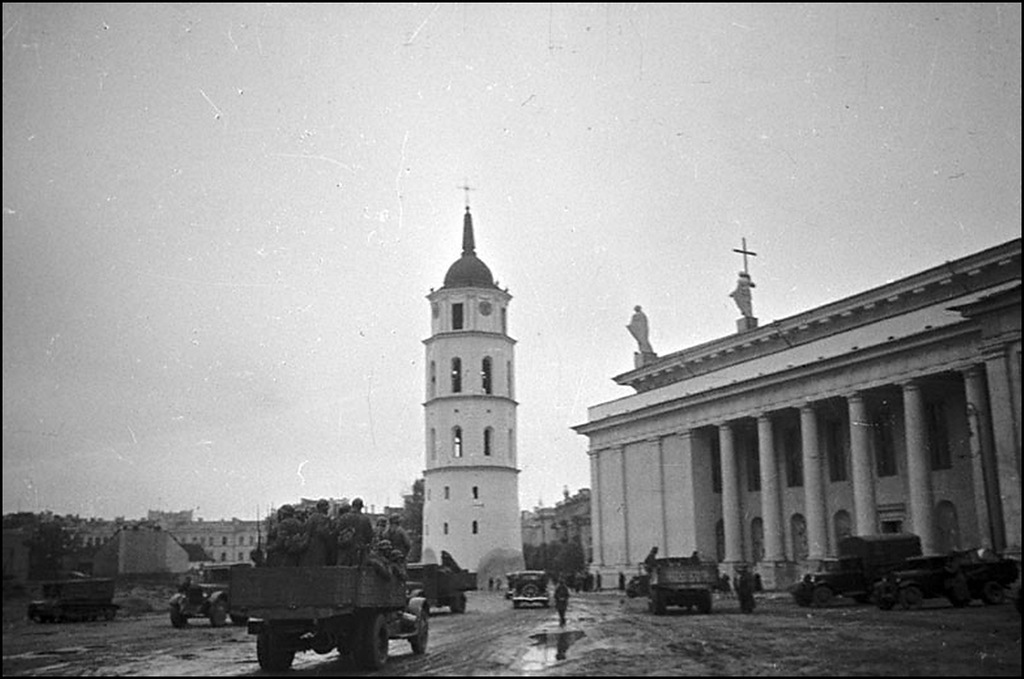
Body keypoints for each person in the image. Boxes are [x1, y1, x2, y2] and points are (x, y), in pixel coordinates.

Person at [336, 497, 374, 566]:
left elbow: (337, 531)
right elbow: (369, 536)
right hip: (359, 552)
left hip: (344, 551)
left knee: (342, 572)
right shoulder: (365, 519)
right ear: (361, 507)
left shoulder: (344, 517)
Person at [300, 499, 334, 567]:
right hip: (320, 547)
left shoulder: (311, 517)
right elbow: (325, 534)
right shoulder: (324, 518)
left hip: (309, 547)